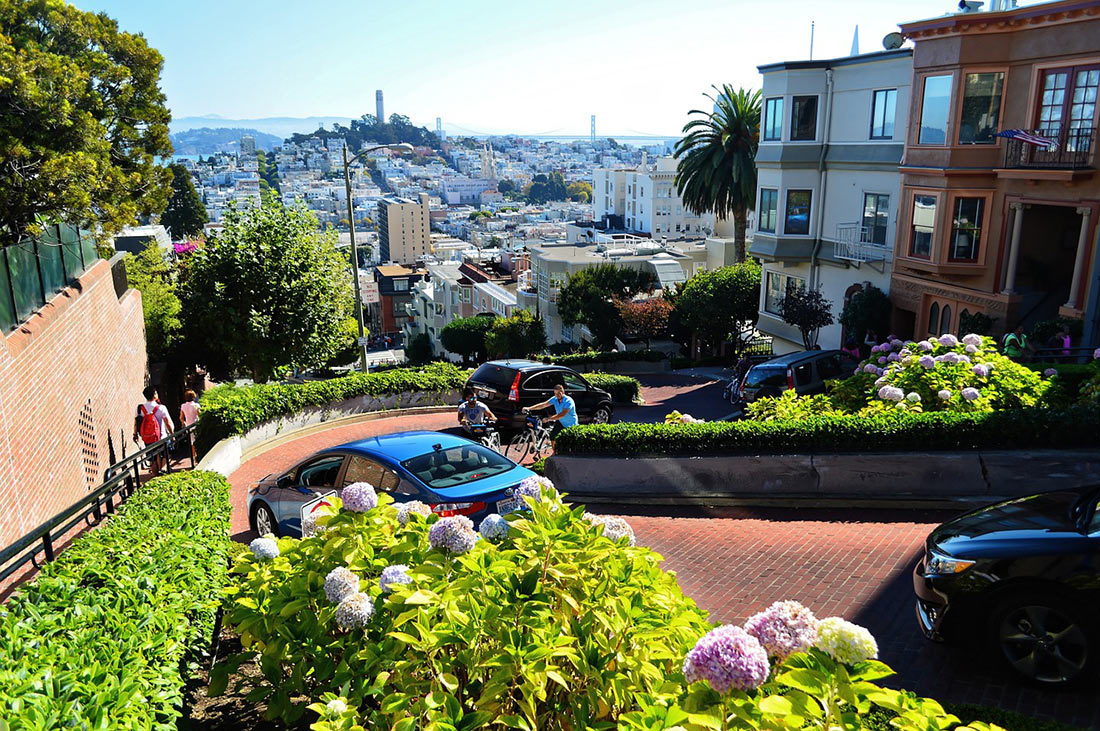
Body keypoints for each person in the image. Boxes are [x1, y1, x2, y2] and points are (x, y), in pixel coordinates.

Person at [134, 385, 174, 475]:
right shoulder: (161, 408)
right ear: (155, 395)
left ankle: (155, 476)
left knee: (152, 459)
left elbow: (136, 422)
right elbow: (168, 423)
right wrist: (172, 435)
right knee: (166, 454)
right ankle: (162, 471)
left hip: (148, 437)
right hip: (161, 437)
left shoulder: (139, 408)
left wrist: (135, 434)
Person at [179, 389, 201, 460]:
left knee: (192, 443)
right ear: (194, 396)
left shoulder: (183, 406)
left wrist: (184, 423)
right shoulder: (196, 405)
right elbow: (200, 415)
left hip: (189, 426)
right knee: (198, 440)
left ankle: (194, 457)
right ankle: (199, 456)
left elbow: (181, 417)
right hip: (196, 425)